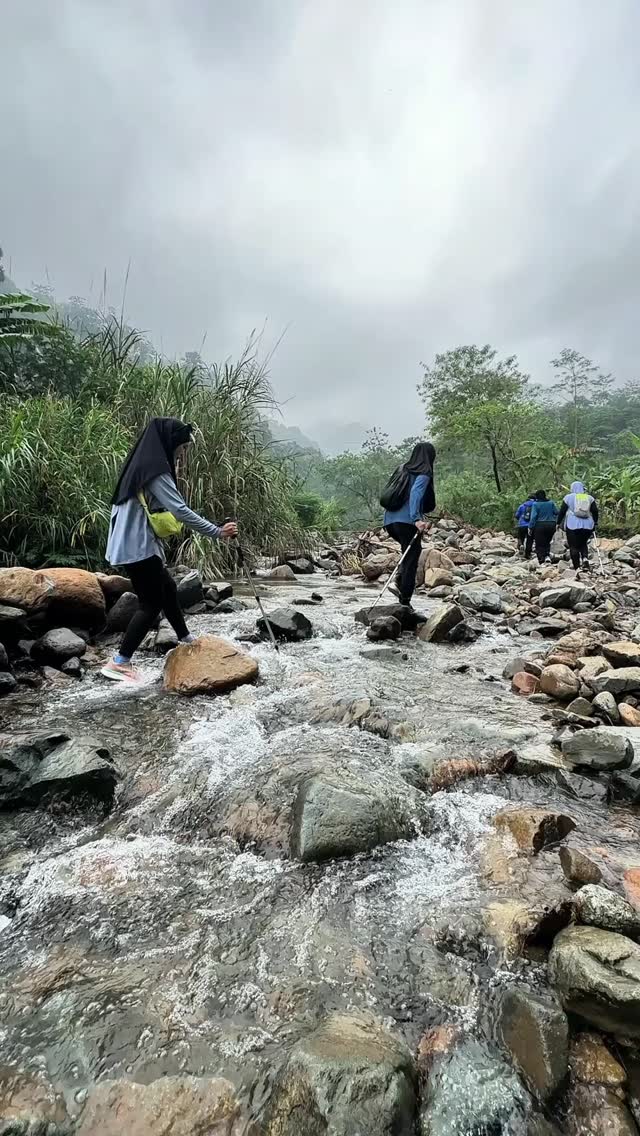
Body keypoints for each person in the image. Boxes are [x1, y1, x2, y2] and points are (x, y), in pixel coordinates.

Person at [101, 417, 237, 683]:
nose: (182, 453)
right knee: (150, 604)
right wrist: (218, 532)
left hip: (132, 544)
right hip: (138, 547)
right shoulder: (155, 471)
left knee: (168, 588)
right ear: (170, 443)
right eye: (181, 447)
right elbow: (180, 510)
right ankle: (120, 662)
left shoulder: (138, 466)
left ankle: (185, 638)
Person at [383, 441, 436, 606]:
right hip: (407, 522)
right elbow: (416, 493)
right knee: (412, 556)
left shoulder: (402, 468)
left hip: (390, 521)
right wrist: (417, 520)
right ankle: (404, 599)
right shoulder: (424, 471)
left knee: (408, 552)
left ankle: (399, 581)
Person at [557, 480, 599, 571]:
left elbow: (562, 511)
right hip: (587, 525)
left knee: (573, 546)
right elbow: (595, 511)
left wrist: (558, 523)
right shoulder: (589, 498)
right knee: (583, 543)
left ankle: (577, 567)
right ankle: (585, 559)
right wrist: (595, 522)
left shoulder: (568, 497)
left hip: (572, 525)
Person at [528, 490, 559, 564]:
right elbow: (556, 512)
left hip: (540, 525)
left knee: (539, 543)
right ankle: (547, 556)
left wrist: (530, 527)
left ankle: (541, 559)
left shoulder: (535, 504)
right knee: (547, 541)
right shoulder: (551, 503)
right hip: (551, 525)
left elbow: (533, 517)